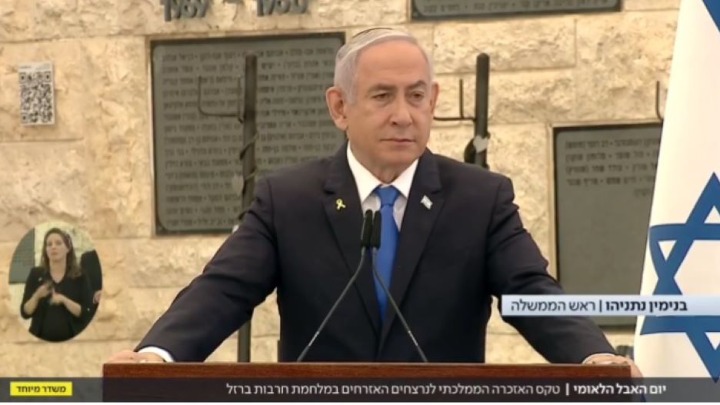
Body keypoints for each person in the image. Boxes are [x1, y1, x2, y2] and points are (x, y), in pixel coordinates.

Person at [108, 28, 641, 376]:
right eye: (383, 96)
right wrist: (157, 357)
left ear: (433, 101)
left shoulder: (481, 199)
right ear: (340, 107)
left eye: (416, 96)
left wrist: (593, 355)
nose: (403, 115)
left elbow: (530, 291)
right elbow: (224, 290)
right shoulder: (287, 200)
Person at [20, 228, 94, 342]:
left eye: (58, 243)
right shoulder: (36, 274)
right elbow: (25, 313)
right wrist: (37, 296)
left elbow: (87, 313)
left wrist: (64, 300)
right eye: (49, 244)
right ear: (45, 250)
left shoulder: (80, 276)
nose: (53, 247)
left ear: (68, 248)